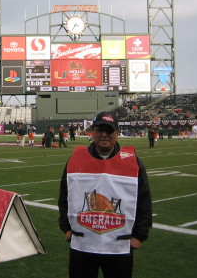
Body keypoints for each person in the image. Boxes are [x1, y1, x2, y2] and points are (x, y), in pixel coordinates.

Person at [58, 111, 152, 278]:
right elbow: (65, 195)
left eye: (109, 130)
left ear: (117, 133)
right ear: (92, 132)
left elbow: (144, 199)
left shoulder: (133, 162)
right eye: (100, 129)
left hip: (119, 246)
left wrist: (139, 235)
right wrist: (65, 227)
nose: (104, 134)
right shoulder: (75, 159)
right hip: (83, 245)